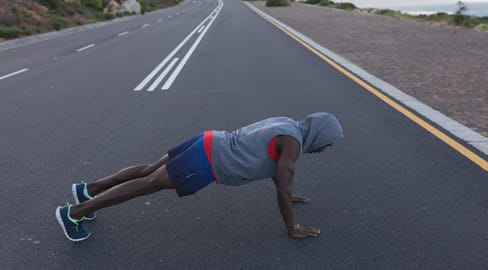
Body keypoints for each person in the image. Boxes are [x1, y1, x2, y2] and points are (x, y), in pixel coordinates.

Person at [55, 112, 344, 242]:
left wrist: (288, 192)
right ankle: (74, 213)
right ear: (320, 136)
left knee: (146, 171)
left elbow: (272, 165)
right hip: (207, 161)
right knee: (147, 184)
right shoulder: (293, 145)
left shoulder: (289, 125)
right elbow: (282, 186)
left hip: (207, 140)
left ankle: (86, 190)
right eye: (328, 143)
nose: (326, 148)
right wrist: (292, 227)